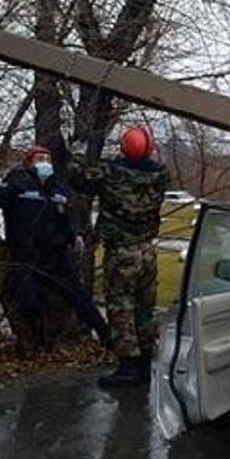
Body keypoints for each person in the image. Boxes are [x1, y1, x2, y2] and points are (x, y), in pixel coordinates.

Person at [0, 144, 113, 352]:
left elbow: (64, 220)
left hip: (55, 257)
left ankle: (106, 336)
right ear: (29, 163)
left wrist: (75, 237)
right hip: (26, 256)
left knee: (80, 298)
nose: (44, 163)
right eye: (39, 159)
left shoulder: (57, 189)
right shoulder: (18, 184)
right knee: (29, 302)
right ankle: (41, 345)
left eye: (47, 158)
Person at [69, 125, 170, 388]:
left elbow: (78, 178)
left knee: (121, 309)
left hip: (122, 252)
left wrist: (78, 150)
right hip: (148, 251)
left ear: (124, 148)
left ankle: (128, 368)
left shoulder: (111, 172)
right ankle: (146, 363)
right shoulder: (161, 175)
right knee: (144, 309)